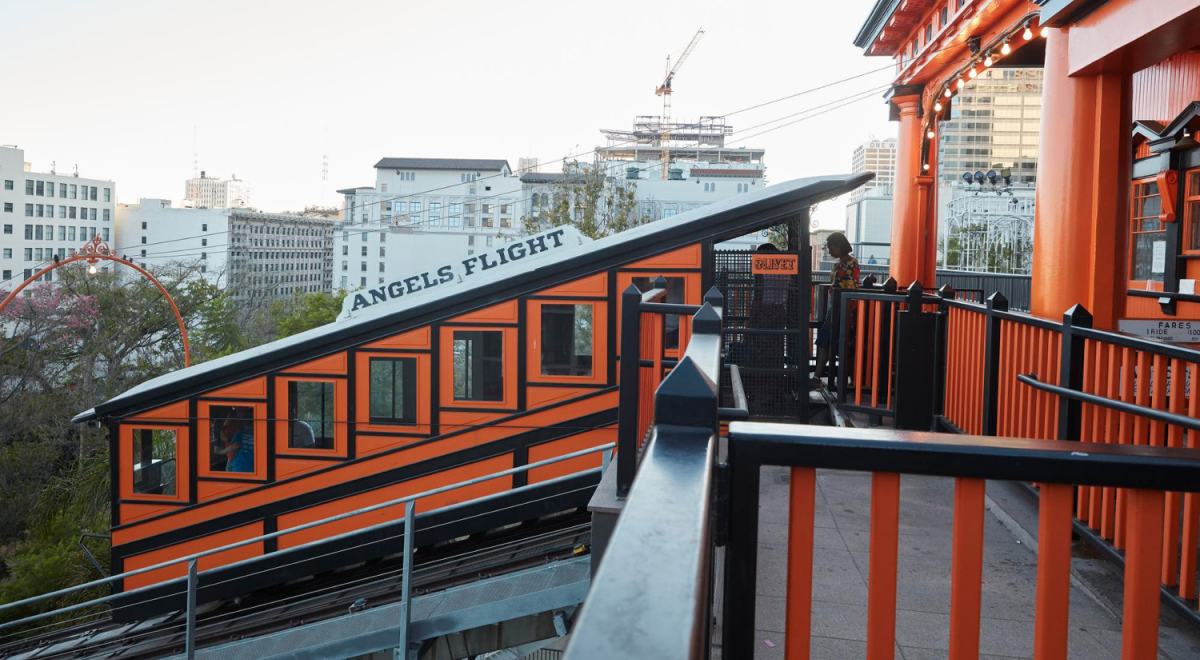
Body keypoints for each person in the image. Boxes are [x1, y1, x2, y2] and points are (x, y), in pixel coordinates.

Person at [812, 232, 860, 388]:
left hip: (845, 309)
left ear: (838, 246)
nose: (829, 250)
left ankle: (818, 377)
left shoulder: (850, 264)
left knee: (829, 342)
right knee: (831, 342)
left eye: (830, 247)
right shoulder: (843, 263)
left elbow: (850, 288)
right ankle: (846, 380)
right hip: (837, 308)